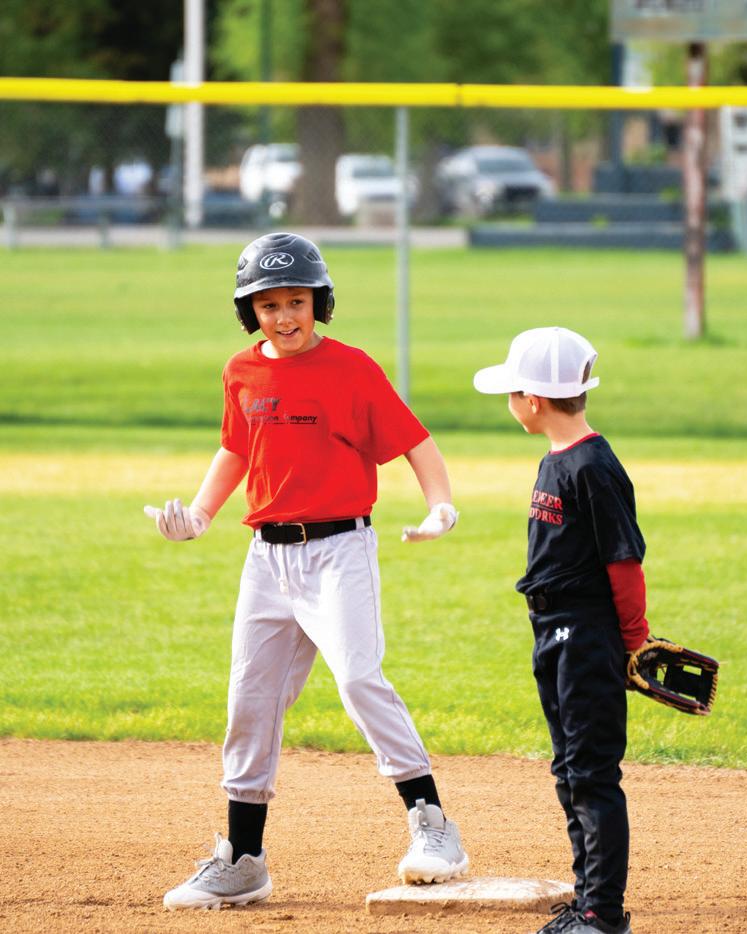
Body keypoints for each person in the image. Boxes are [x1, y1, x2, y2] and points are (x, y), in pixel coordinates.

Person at [145, 232, 468, 911]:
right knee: (250, 698)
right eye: (268, 305)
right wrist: (200, 514)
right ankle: (243, 859)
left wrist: (440, 506)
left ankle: (433, 826)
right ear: (249, 312)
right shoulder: (241, 371)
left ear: (319, 302)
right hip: (266, 558)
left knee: (357, 678)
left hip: (338, 550)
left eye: (296, 301)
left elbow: (416, 443)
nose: (284, 316)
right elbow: (237, 449)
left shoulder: (351, 369)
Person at [473, 327, 648, 934]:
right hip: (553, 629)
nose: (511, 402)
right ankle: (587, 900)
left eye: (513, 392)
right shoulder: (558, 459)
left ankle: (602, 914)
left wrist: (633, 640)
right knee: (569, 770)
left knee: (592, 773)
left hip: (586, 633)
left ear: (534, 400)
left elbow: (624, 561)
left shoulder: (593, 466)